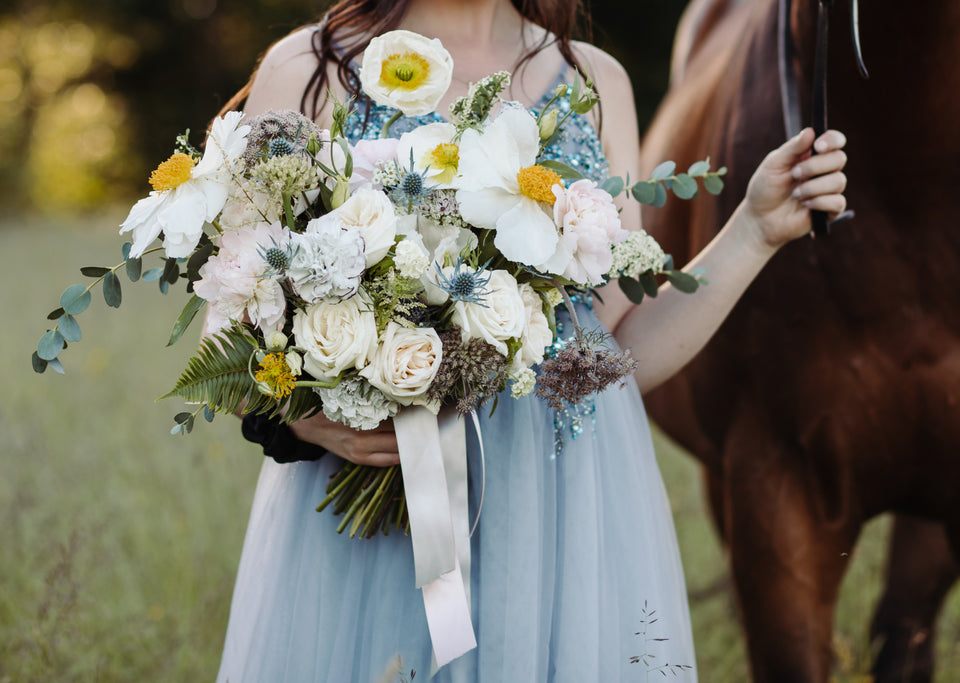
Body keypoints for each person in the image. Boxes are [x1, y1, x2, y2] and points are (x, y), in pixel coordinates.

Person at [216, 0, 848, 681]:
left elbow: (611, 353)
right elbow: (228, 323)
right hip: (380, 506)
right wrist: (312, 421)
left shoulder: (594, 83)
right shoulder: (310, 70)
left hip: (558, 510)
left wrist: (753, 231)